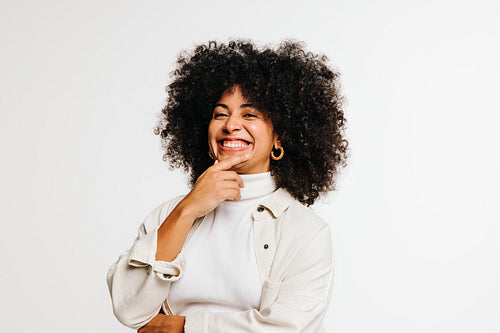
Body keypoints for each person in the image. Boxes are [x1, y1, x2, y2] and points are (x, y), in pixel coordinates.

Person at [107, 39, 348, 333]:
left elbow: (287, 328)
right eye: (221, 113)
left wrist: (184, 328)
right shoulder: (169, 215)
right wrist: (188, 210)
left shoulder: (305, 231)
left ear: (280, 137)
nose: (231, 125)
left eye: (249, 114)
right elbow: (129, 310)